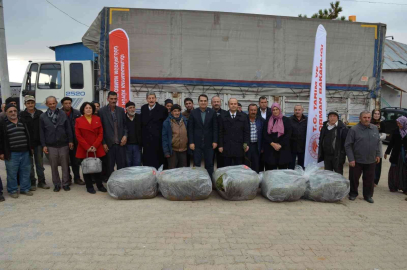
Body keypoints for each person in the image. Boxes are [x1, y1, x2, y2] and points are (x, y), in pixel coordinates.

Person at [345, 111, 381, 203]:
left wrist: (378, 154)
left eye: (369, 117)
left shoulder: (374, 128)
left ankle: (368, 195)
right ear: (360, 118)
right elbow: (348, 145)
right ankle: (353, 194)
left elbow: (377, 143)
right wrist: (351, 159)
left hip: (371, 160)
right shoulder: (354, 129)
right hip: (357, 160)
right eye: (365, 117)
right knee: (354, 179)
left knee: (369, 179)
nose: (367, 119)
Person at [40, 96, 74, 192]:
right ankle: (57, 184)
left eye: (53, 103)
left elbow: (68, 128)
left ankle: (66, 183)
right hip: (51, 145)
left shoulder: (63, 114)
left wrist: (70, 141)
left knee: (65, 165)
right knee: (54, 166)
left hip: (63, 144)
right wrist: (44, 145)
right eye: (50, 104)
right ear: (47, 104)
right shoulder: (43, 116)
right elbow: (41, 132)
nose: (52, 105)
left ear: (56, 103)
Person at [0, 104, 33, 198]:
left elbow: (29, 135)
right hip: (11, 153)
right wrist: (1, 152)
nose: (13, 113)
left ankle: (25, 189)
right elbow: (1, 140)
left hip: (25, 151)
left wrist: (30, 148)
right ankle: (12, 190)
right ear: (6, 113)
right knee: (12, 173)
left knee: (26, 171)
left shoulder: (23, 121)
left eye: (14, 111)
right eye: (10, 111)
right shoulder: (3, 124)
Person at [75, 102, 107, 194]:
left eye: (90, 108)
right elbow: (78, 136)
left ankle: (100, 186)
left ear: (93, 109)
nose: (88, 109)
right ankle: (89, 186)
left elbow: (101, 133)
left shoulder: (98, 119)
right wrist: (87, 147)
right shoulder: (78, 120)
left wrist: (95, 145)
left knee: (97, 167)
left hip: (96, 148)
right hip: (84, 148)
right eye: (86, 108)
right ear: (83, 110)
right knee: (86, 168)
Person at [19, 95, 49, 190]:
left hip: (39, 143)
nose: (30, 104)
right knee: (29, 165)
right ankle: (32, 182)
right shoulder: (21, 115)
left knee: (39, 164)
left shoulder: (40, 114)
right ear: (25, 104)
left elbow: (44, 129)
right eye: (28, 103)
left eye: (32, 102)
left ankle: (42, 181)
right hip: (27, 144)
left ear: (34, 103)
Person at [98, 92, 128, 177]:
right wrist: (103, 143)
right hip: (109, 144)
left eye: (115, 99)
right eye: (111, 99)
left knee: (121, 167)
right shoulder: (102, 111)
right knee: (109, 167)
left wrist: (125, 136)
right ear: (108, 99)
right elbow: (100, 129)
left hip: (120, 144)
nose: (113, 101)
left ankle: (121, 184)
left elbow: (125, 126)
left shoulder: (121, 110)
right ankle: (111, 185)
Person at [188, 94, 218, 176]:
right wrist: (191, 142)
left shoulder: (212, 112)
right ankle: (197, 183)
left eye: (205, 101)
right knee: (197, 164)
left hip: (209, 143)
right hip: (196, 143)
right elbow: (190, 129)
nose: (203, 102)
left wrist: (215, 141)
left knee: (209, 164)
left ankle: (209, 183)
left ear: (207, 102)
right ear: (198, 102)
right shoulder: (193, 113)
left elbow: (215, 128)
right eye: (201, 101)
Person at [218, 98, 250, 166]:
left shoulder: (243, 116)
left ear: (237, 105)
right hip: (226, 147)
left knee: (238, 168)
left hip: (239, 147)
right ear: (228, 105)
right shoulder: (222, 116)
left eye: (235, 104)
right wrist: (220, 145)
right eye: (231, 104)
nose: (233, 105)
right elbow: (220, 132)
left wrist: (246, 144)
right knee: (227, 167)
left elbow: (246, 132)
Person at [140, 91, 168, 169]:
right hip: (147, 141)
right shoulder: (144, 108)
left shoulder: (162, 109)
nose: (151, 100)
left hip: (158, 140)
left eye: (153, 98)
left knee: (158, 161)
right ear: (147, 99)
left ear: (155, 99)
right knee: (147, 162)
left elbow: (165, 126)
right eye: (149, 98)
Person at [61, 97, 84, 185]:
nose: (68, 105)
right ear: (62, 104)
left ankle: (77, 178)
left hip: (75, 141)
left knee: (76, 161)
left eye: (69, 103)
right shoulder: (59, 113)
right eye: (66, 103)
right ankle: (68, 178)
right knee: (65, 162)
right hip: (63, 141)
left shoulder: (77, 113)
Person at [262, 103, 292, 170]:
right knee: (270, 171)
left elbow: (288, 134)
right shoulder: (267, 120)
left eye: (277, 109)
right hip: (270, 149)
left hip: (283, 149)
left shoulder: (286, 120)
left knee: (282, 171)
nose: (275, 111)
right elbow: (265, 134)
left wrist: (280, 145)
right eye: (273, 110)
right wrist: (272, 144)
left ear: (280, 110)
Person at [384, 116, 407, 193]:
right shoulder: (396, 131)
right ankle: (393, 186)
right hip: (396, 154)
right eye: (397, 123)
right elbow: (391, 143)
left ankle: (404, 188)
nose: (398, 125)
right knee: (394, 170)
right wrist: (387, 152)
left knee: (404, 170)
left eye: (400, 123)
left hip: (405, 155)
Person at [162, 104, 189, 169]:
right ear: (171, 112)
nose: (177, 113)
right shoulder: (167, 122)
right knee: (172, 171)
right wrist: (166, 151)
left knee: (183, 171)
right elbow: (164, 138)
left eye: (178, 111)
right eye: (175, 111)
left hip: (183, 150)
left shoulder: (185, 121)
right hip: (173, 151)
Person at [244, 104, 264, 172]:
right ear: (248, 111)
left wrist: (262, 147)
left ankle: (256, 181)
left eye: (254, 110)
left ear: (257, 111)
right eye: (251, 110)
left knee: (256, 165)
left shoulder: (261, 120)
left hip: (257, 146)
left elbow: (263, 135)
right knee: (246, 165)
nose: (253, 112)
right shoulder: (244, 119)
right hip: (247, 146)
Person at [288, 105, 307, 169]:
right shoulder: (289, 119)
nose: (297, 111)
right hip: (292, 146)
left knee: (302, 166)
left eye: (299, 110)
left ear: (302, 110)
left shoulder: (307, 120)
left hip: (303, 146)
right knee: (291, 165)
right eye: (296, 110)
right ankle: (291, 178)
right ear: (294, 111)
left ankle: (301, 178)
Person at [371, 109, 386, 186]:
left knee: (378, 163)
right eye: (375, 113)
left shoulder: (382, 123)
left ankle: (375, 181)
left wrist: (377, 137)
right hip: (369, 145)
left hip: (378, 144)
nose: (376, 115)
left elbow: (384, 135)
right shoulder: (369, 122)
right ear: (372, 114)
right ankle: (368, 179)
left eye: (378, 114)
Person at [125, 101, 142, 167]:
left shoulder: (139, 117)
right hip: (127, 145)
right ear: (126, 109)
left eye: (133, 107)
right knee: (128, 163)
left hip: (137, 145)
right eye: (130, 108)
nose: (132, 109)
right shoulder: (123, 118)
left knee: (137, 163)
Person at [211, 96, 226, 168]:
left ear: (220, 103)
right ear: (211, 103)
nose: (216, 103)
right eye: (214, 102)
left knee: (221, 164)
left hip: (222, 142)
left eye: (218, 102)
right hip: (210, 142)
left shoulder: (225, 114)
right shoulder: (208, 113)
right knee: (209, 163)